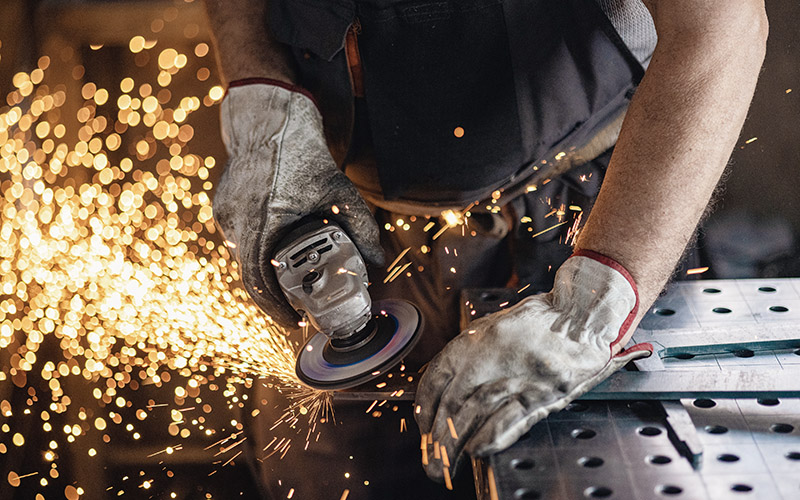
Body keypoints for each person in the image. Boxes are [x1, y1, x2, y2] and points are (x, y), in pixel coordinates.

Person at [204, 0, 768, 497]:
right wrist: (262, 97)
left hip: (588, 222)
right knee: (321, 480)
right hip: (349, 219)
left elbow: (722, 24)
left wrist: (592, 308)